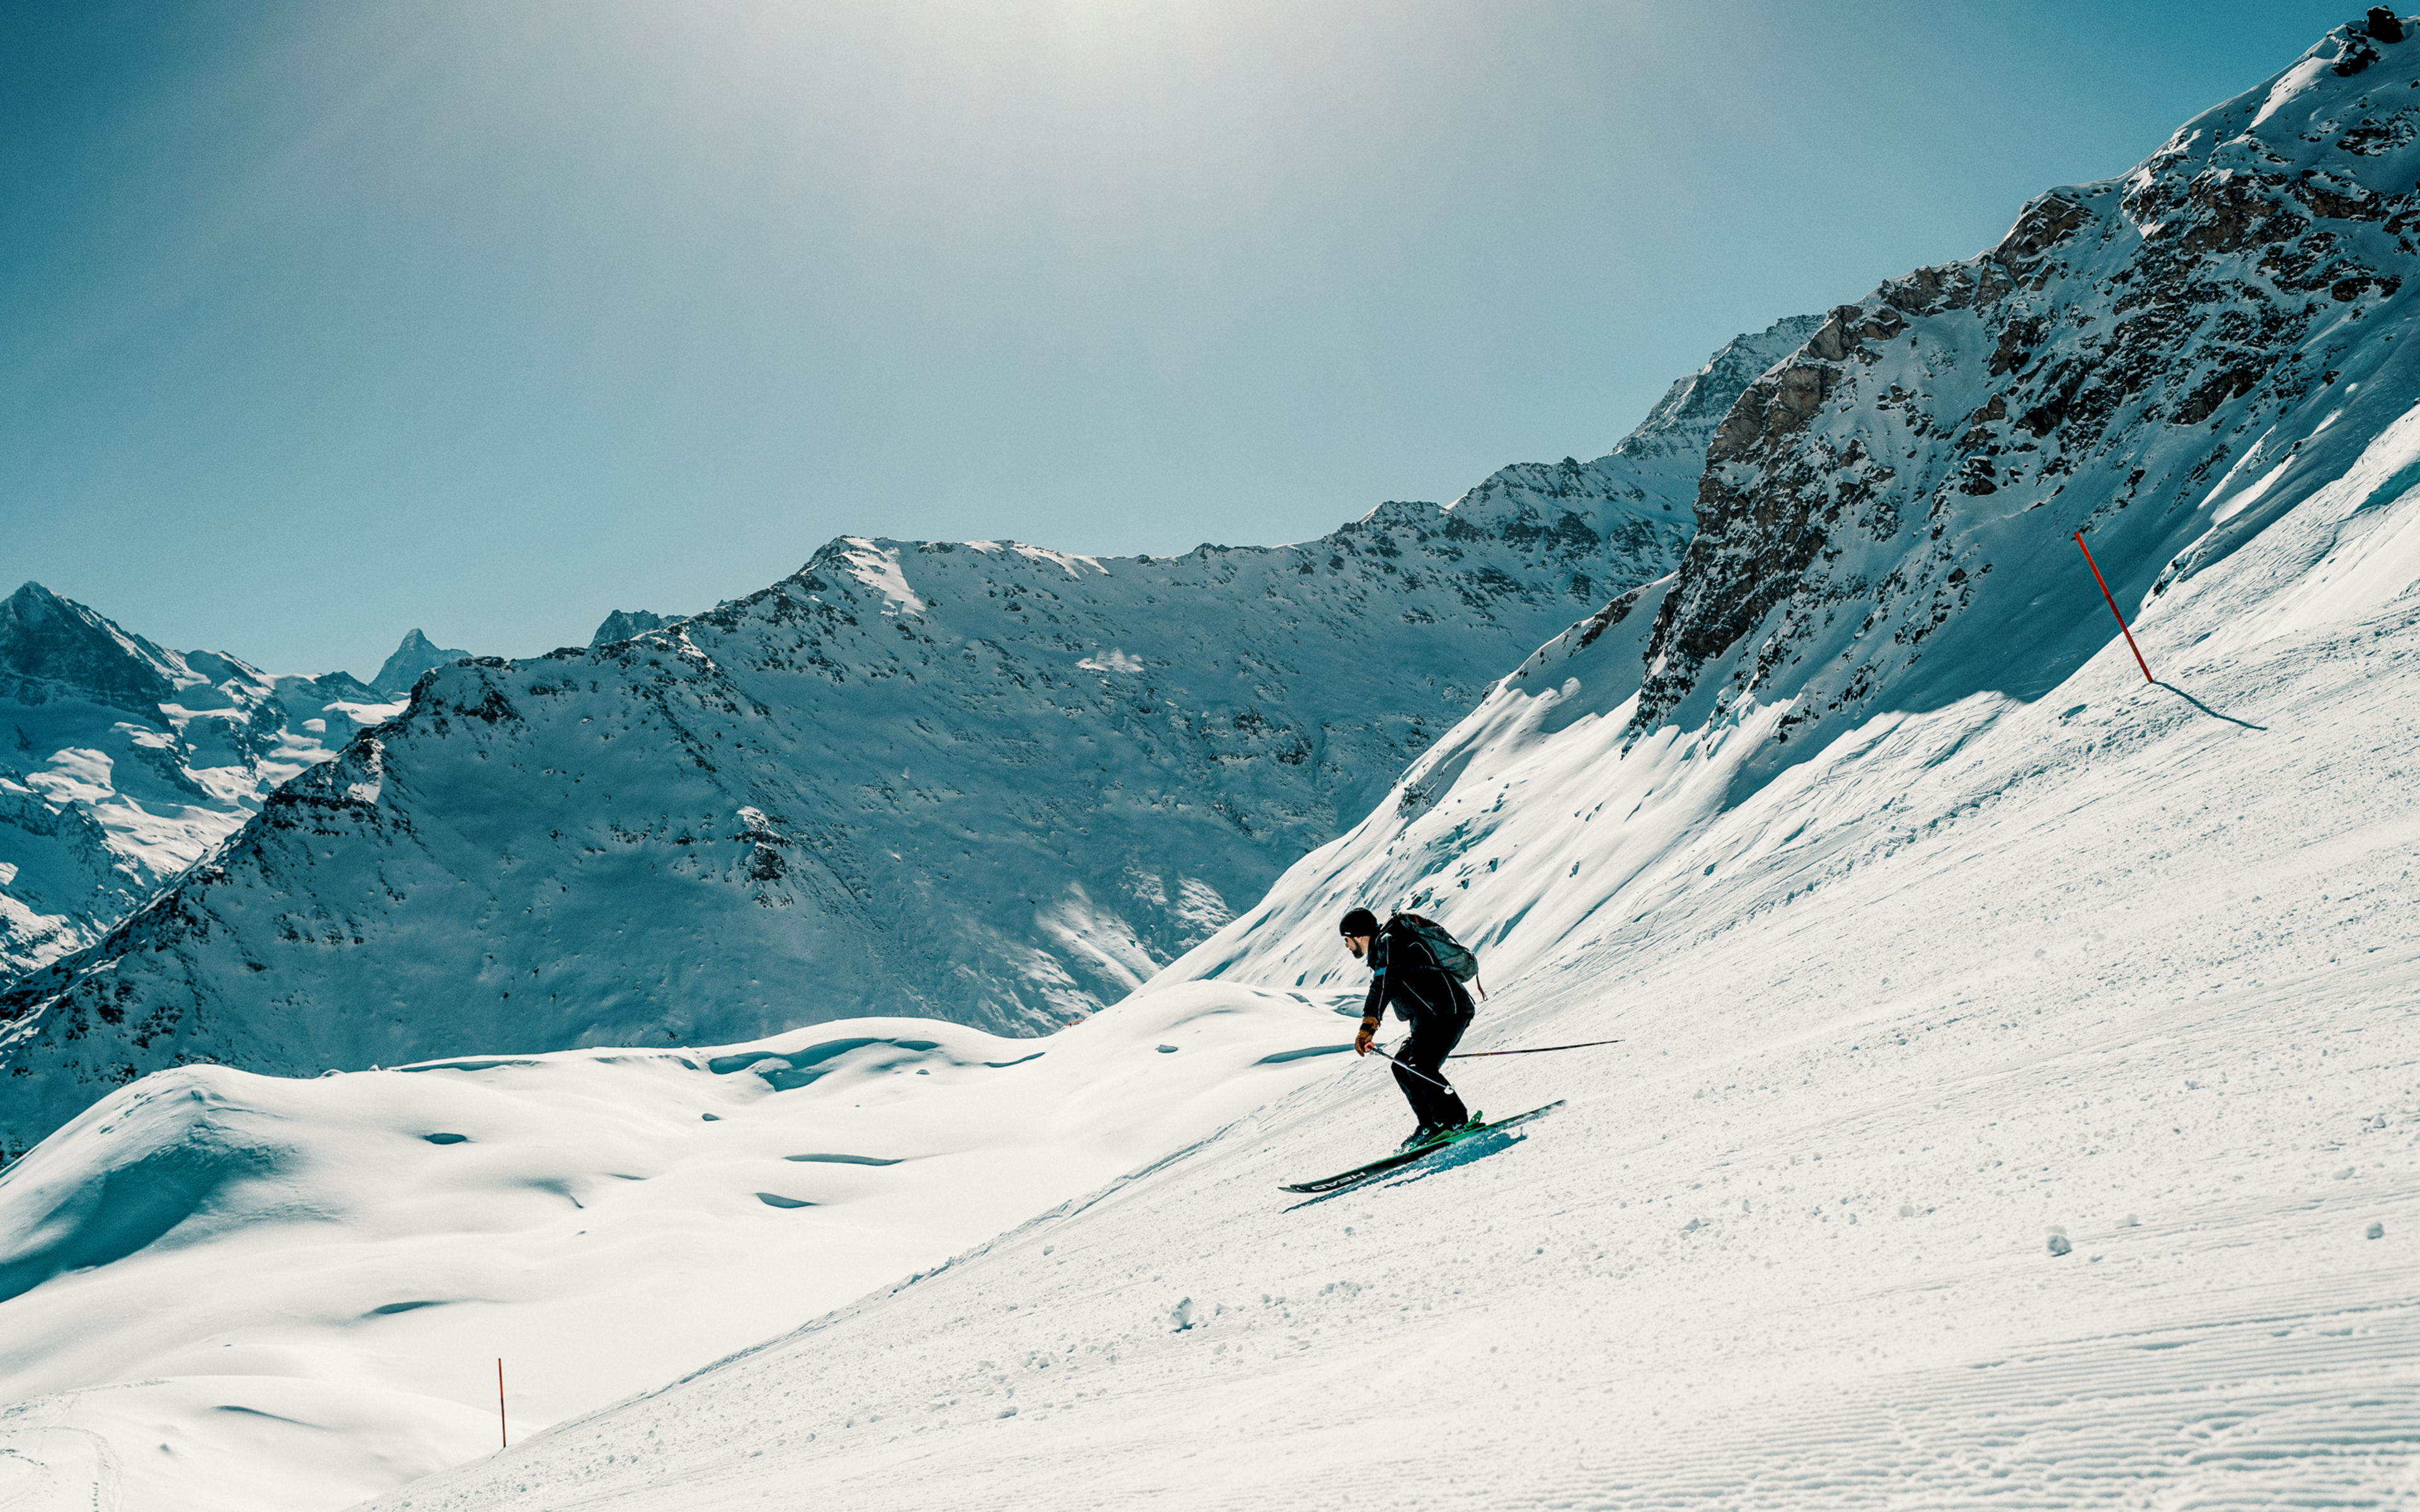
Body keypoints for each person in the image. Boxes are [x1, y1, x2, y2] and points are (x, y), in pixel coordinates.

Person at [1341, 907, 1477, 1150]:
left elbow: (1383, 983)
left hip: (1447, 1011)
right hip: (1429, 1016)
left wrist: (1369, 1025)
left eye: (1347, 940)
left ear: (1358, 936)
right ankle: (1430, 1125)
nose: (1347, 946)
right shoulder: (1384, 948)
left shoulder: (1388, 943)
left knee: (1420, 1067)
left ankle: (1455, 1121)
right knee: (1402, 1066)